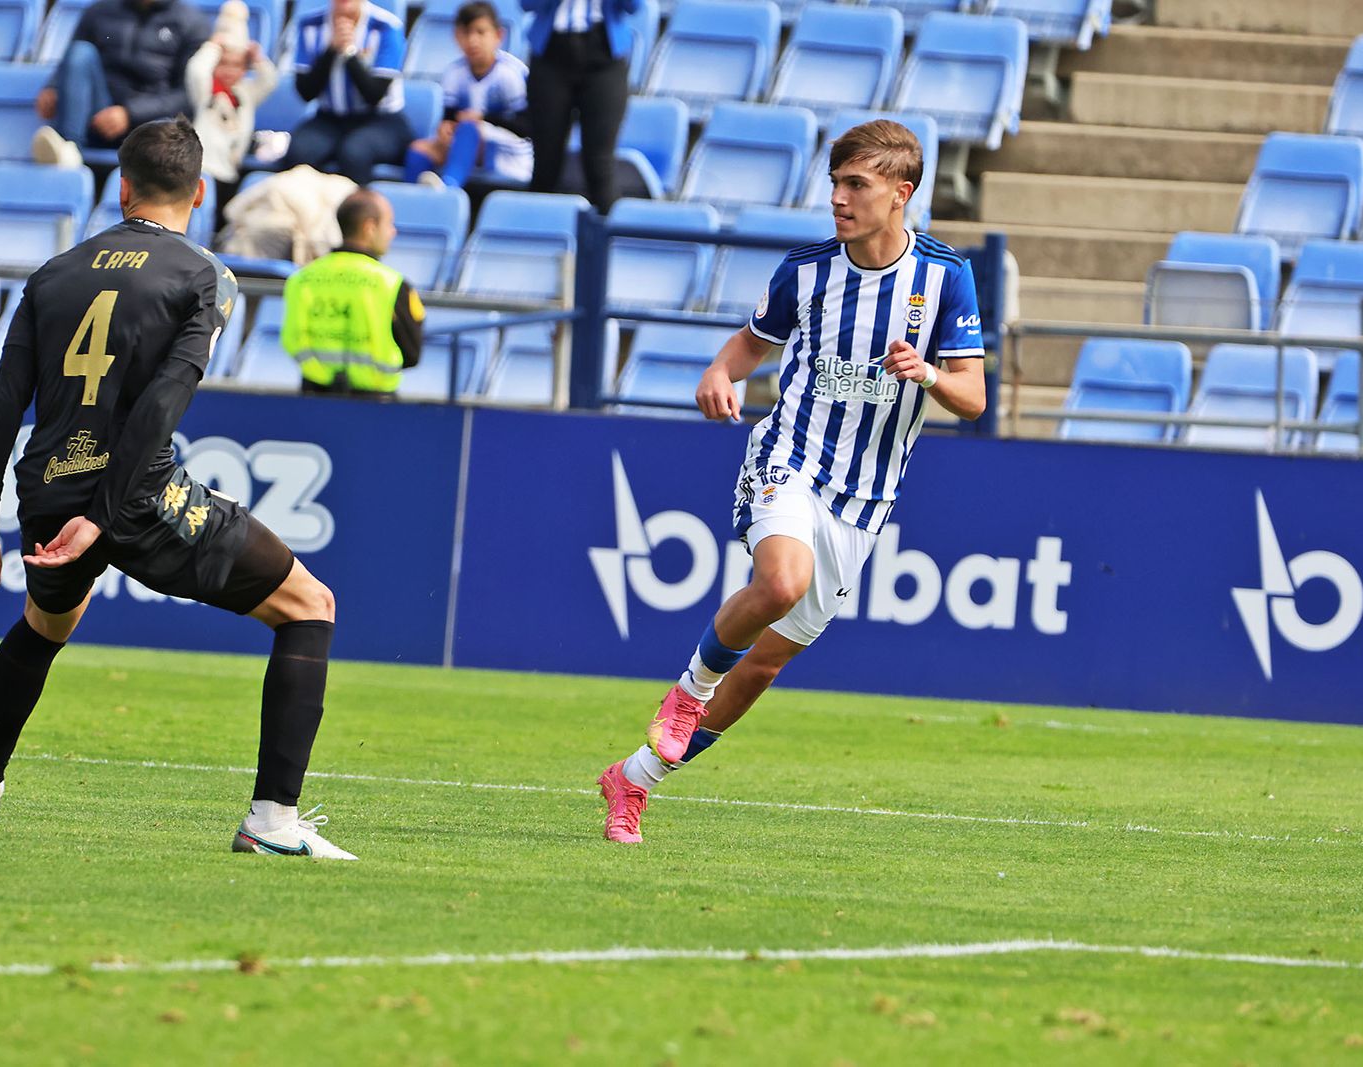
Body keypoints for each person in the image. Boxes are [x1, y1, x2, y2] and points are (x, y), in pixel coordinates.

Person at [0, 117, 356, 861]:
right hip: (134, 494)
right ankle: (272, 820)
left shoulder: (54, 273)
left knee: (44, 626)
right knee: (309, 605)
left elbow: (3, 407)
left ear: (121, 187)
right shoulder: (205, 275)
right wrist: (105, 518)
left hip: (48, 490)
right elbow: (162, 406)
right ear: (199, 193)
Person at [596, 121, 989, 843]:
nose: (838, 198)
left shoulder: (944, 277)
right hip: (790, 456)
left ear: (901, 194)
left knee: (767, 664)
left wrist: (929, 372)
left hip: (864, 498)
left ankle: (633, 780)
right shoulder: (805, 271)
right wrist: (718, 372)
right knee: (779, 582)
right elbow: (750, 346)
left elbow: (974, 396)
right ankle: (686, 694)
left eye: (856, 185)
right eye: (835, 183)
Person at [32, 0, 211, 170]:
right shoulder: (99, 11)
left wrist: (129, 113)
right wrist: (54, 87)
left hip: (151, 129)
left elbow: (187, 96)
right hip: (99, 116)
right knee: (81, 52)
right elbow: (71, 61)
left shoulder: (193, 23)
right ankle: (68, 149)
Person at [281, 189, 425, 398]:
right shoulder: (393, 284)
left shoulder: (300, 279)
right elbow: (412, 354)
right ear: (369, 227)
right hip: (375, 407)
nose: (393, 232)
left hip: (313, 399)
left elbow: (290, 340)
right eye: (388, 224)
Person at [520, 0, 637, 212]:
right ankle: (538, 239)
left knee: (599, 165)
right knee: (546, 163)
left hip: (604, 56)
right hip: (550, 56)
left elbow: (634, 6)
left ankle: (607, 240)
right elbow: (527, 4)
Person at [402, 1, 532, 191]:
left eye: (480, 32)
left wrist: (483, 119)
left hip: (510, 152)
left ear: (498, 35)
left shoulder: (510, 73)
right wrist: (445, 128)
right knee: (419, 149)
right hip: (464, 144)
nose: (473, 40)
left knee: (468, 128)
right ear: (457, 36)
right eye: (466, 32)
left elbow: (525, 127)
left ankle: (449, 189)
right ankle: (411, 200)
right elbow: (450, 116)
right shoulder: (454, 73)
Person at [282, 0, 412, 186]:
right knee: (300, 152)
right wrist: (330, 51)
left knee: (355, 153)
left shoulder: (387, 26)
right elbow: (306, 92)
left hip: (381, 120)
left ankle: (356, 213)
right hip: (329, 118)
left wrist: (349, 53)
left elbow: (374, 95)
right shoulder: (309, 24)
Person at [185, 0, 280, 185]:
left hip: (230, 171)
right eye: (223, 63)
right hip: (202, 169)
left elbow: (269, 81)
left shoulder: (247, 93)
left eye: (236, 65)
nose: (229, 70)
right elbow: (196, 71)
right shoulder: (206, 90)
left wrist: (258, 59)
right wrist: (213, 47)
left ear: (245, 68)